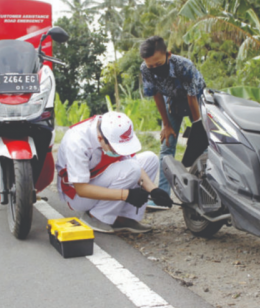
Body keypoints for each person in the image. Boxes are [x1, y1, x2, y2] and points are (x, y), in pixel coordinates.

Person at [56, 111, 173, 233]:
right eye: (117, 149)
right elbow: (81, 189)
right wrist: (126, 195)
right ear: (100, 139)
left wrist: (154, 190)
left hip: (97, 177)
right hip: (76, 195)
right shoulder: (76, 141)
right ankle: (96, 217)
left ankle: (124, 217)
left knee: (151, 159)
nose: (121, 152)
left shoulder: (113, 129)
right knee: (131, 169)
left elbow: (133, 162)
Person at [140, 36, 206, 209]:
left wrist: (198, 126)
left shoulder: (183, 65)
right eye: (150, 66)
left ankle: (204, 192)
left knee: (204, 146)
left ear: (168, 54)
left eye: (158, 64)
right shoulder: (145, 69)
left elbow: (192, 97)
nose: (154, 69)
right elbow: (156, 95)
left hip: (196, 99)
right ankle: (162, 199)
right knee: (167, 145)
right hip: (172, 100)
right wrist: (167, 125)